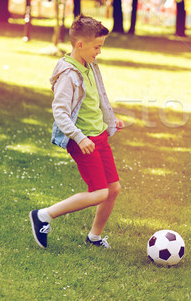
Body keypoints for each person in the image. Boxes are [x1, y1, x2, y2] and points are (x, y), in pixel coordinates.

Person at [29, 14, 125, 249]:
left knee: (113, 189)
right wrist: (79, 137)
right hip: (83, 140)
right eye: (97, 46)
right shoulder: (68, 75)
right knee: (99, 192)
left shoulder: (90, 65)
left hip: (98, 136)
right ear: (80, 45)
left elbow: (96, 98)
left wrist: (111, 121)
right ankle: (43, 215)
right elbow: (60, 113)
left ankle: (94, 237)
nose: (100, 51)